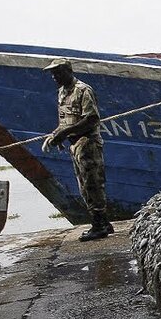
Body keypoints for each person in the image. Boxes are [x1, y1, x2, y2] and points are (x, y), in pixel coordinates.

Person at [42, 58, 113, 241]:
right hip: (75, 145)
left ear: (68, 71)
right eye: (52, 74)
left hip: (87, 143)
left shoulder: (83, 90)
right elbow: (65, 120)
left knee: (92, 184)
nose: (54, 77)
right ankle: (104, 221)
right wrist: (56, 134)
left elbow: (91, 119)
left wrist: (65, 132)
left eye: (57, 72)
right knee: (84, 185)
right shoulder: (62, 93)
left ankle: (98, 226)